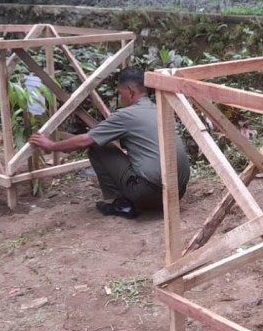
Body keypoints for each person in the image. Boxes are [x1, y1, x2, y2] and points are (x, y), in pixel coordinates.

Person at [29, 67, 190, 219]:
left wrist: (50, 145)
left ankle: (121, 204)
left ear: (130, 91)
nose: (121, 98)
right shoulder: (160, 109)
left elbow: (85, 140)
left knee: (97, 146)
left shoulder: (126, 115)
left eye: (121, 93)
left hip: (150, 195)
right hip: (177, 193)